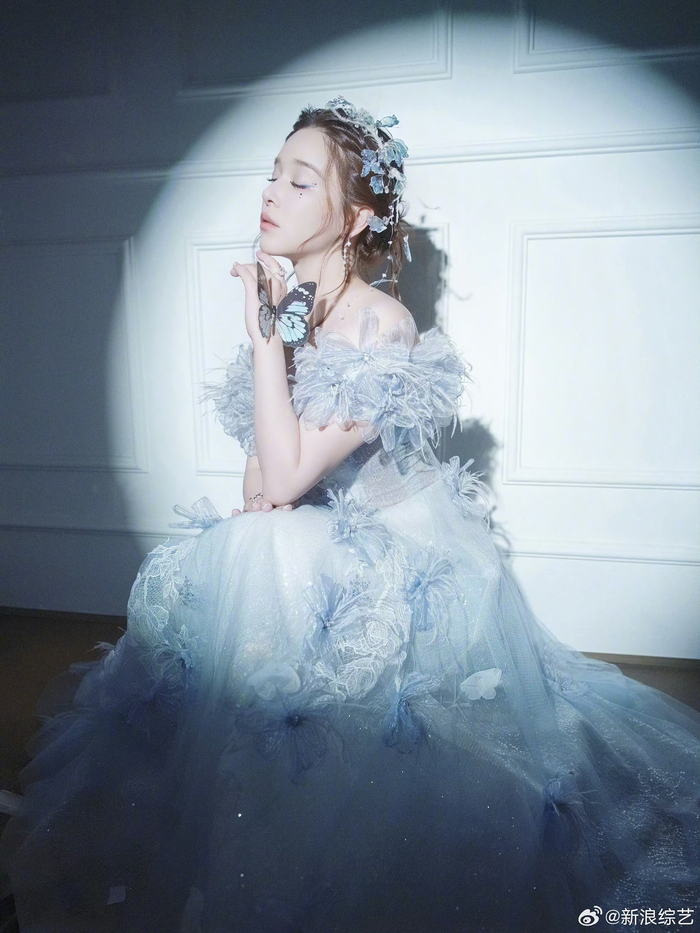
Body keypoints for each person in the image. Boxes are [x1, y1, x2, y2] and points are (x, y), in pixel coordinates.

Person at [1, 96, 699, 933]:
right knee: (248, 549)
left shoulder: (381, 323)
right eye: (272, 174)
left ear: (356, 215)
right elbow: (261, 492)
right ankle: (234, 817)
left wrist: (266, 338)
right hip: (313, 537)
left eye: (300, 181)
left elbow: (286, 479)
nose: (270, 192)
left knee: (267, 552)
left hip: (398, 551)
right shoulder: (297, 315)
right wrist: (277, 339)